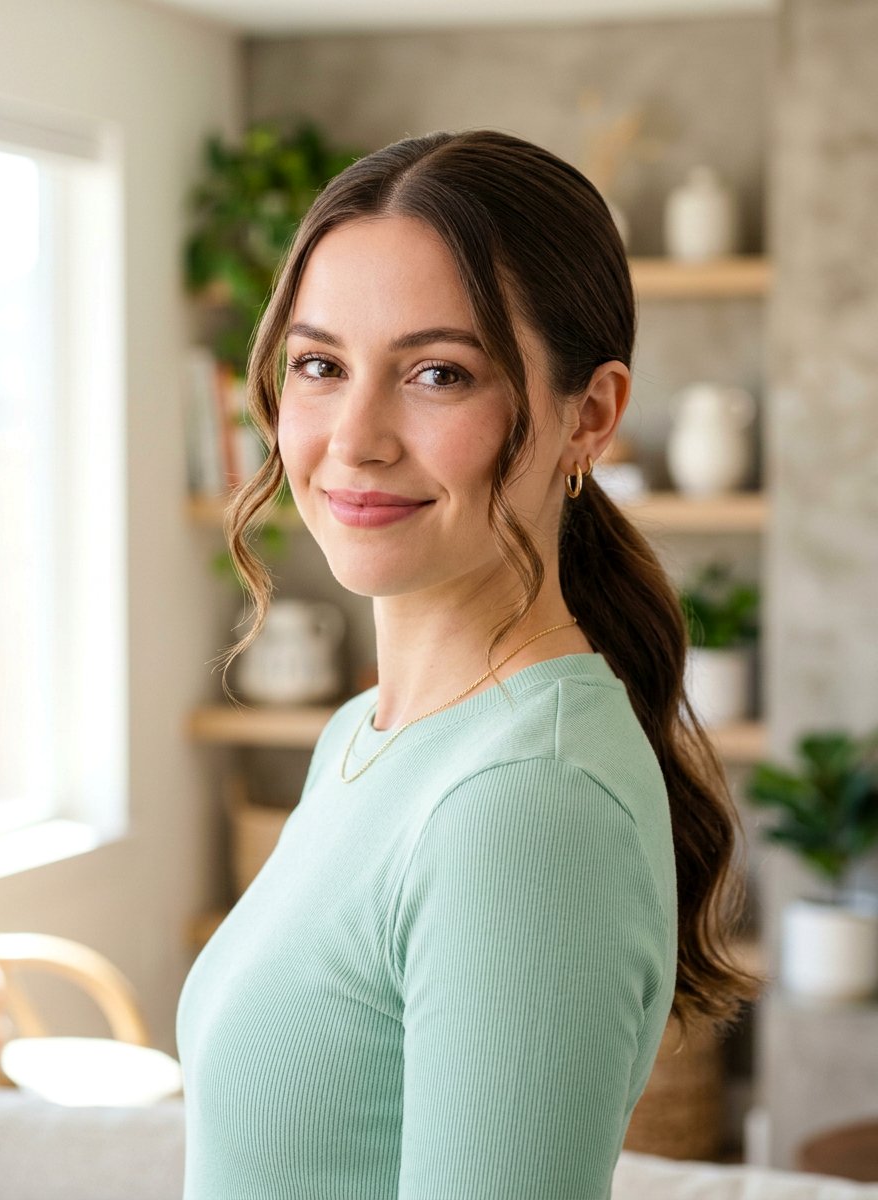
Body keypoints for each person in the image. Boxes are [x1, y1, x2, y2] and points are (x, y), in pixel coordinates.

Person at [176, 129, 762, 1199]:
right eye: (320, 366)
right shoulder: (365, 734)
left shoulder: (526, 800)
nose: (354, 438)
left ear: (589, 417)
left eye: (437, 373)